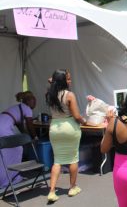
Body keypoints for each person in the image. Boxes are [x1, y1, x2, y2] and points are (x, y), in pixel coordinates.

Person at [46, 69, 86, 202]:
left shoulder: (49, 94)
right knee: (73, 158)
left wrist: (53, 80)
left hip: (55, 128)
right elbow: (76, 115)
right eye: (68, 79)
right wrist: (84, 121)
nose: (70, 81)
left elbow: (50, 81)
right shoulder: (69, 95)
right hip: (69, 127)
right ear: (63, 81)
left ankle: (52, 191)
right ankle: (72, 187)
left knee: (57, 160)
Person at [0, 91, 37, 188]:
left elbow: (21, 128)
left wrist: (27, 138)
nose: (35, 104)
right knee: (17, 149)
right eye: (34, 101)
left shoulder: (18, 107)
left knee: (3, 154)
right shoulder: (27, 109)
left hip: (1, 125)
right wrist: (35, 137)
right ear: (28, 101)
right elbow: (30, 125)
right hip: (3, 128)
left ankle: (5, 178)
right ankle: (13, 178)